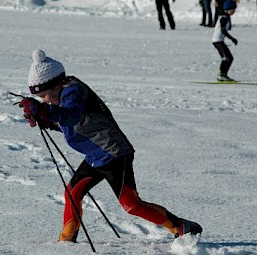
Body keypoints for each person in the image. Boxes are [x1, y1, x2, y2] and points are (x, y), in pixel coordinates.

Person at [17, 49, 203, 242]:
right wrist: (46, 119)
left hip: (114, 153)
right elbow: (73, 124)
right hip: (96, 156)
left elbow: (72, 115)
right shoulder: (62, 96)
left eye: (44, 96)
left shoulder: (74, 91)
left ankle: (181, 226)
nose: (44, 100)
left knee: (131, 205)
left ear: (55, 85)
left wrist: (46, 111)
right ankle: (67, 238)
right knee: (73, 193)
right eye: (40, 99)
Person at [212, 0, 238, 81]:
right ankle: (221, 75)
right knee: (227, 58)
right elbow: (223, 30)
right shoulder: (224, 18)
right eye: (233, 10)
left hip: (219, 41)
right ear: (228, 9)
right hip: (217, 41)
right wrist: (232, 38)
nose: (234, 11)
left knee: (229, 58)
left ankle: (223, 75)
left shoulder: (225, 16)